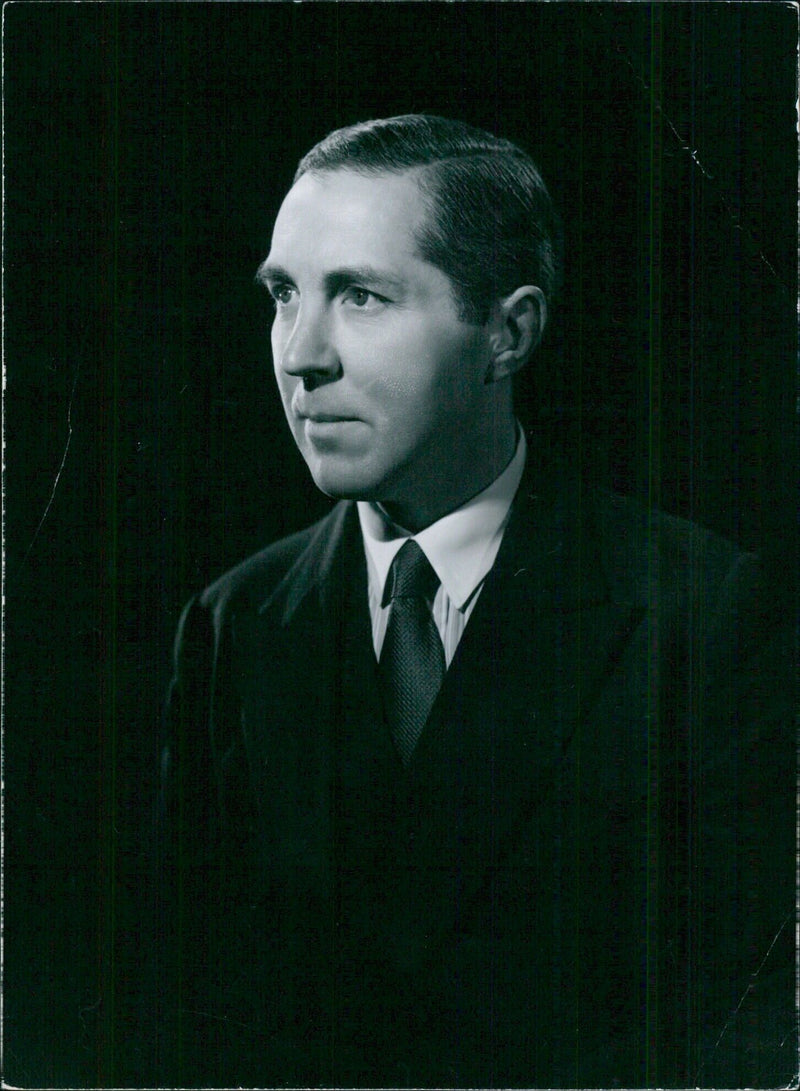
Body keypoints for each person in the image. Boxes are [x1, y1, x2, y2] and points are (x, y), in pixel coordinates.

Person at [158, 115, 794, 1087]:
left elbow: (746, 1024)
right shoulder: (232, 621)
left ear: (508, 332)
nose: (299, 355)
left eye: (362, 297)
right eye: (283, 295)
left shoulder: (701, 613)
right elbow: (187, 1011)